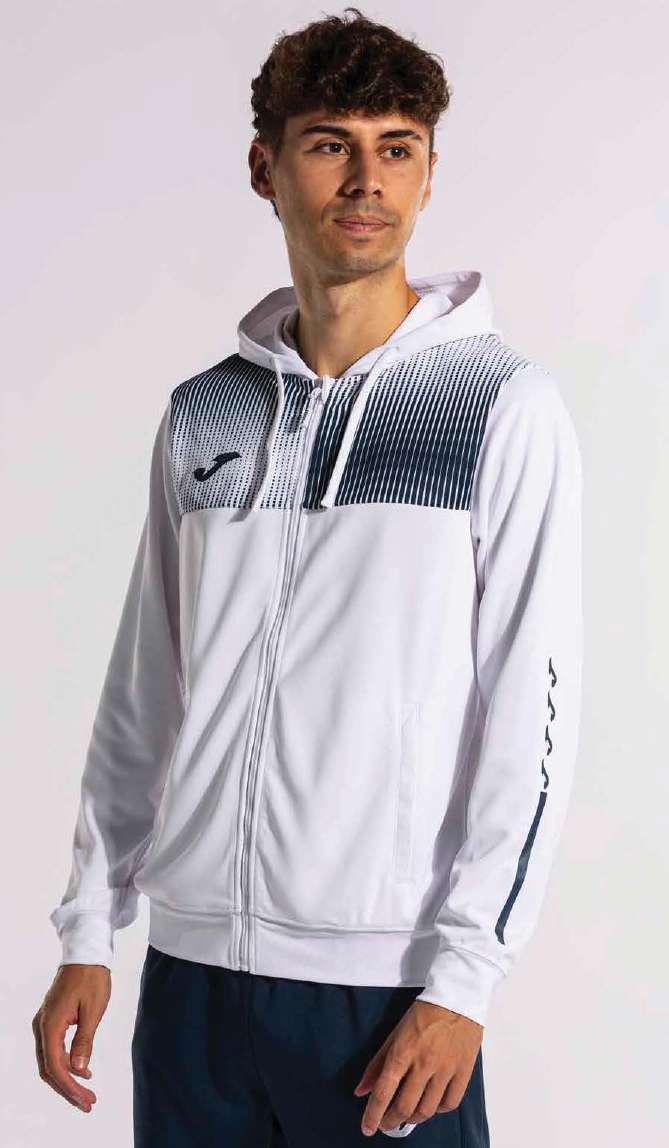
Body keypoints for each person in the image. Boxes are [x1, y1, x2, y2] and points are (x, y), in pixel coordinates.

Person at [33, 7, 583, 1145]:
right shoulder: (206, 411)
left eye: (397, 148)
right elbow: (145, 689)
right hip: (191, 984)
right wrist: (90, 926)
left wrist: (465, 981)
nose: (367, 180)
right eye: (331, 143)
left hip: (383, 996)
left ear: (428, 174)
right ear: (266, 167)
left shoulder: (501, 406)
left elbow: (534, 717)